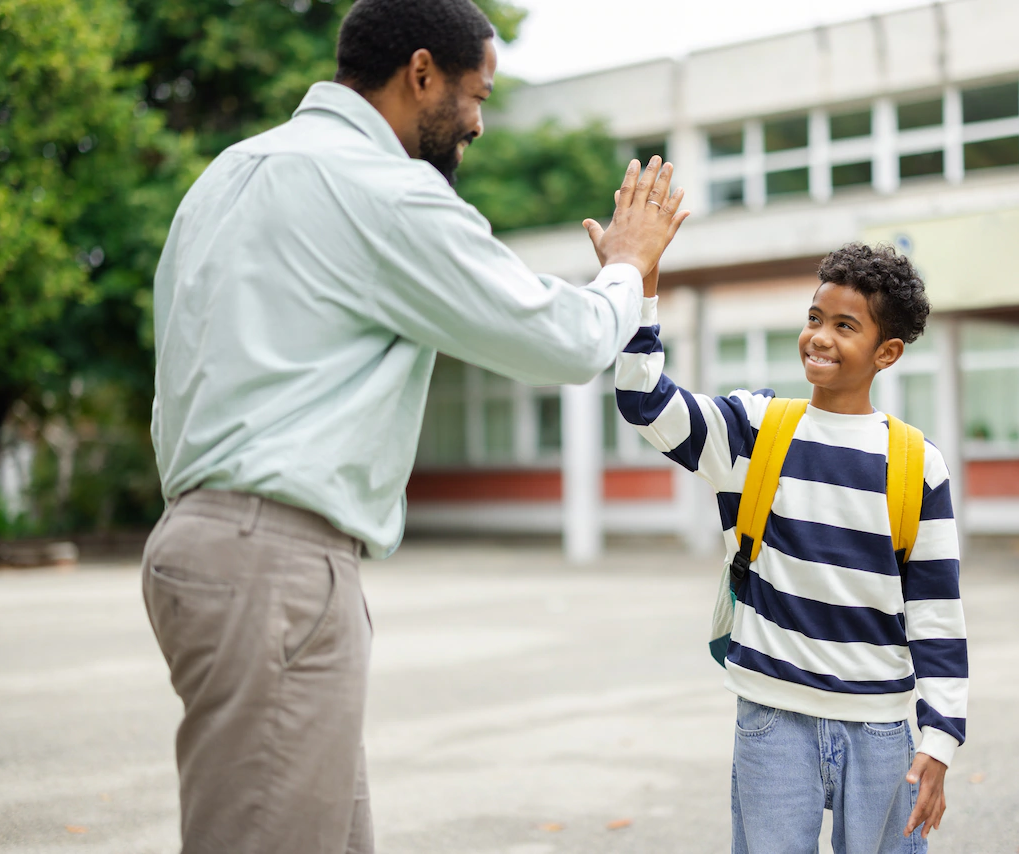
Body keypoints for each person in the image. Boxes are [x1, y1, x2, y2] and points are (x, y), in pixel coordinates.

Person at [141, 0, 689, 851]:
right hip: (277, 566)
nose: (477, 122)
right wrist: (627, 266)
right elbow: (565, 338)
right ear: (421, 72)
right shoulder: (382, 190)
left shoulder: (227, 174)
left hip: (204, 547)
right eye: (477, 94)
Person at [610, 243, 967, 853]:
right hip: (772, 720)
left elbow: (936, 613)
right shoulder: (756, 430)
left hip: (881, 729)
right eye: (814, 318)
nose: (819, 337)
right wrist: (639, 286)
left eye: (844, 325)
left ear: (888, 353)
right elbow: (649, 405)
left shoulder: (916, 464)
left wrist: (938, 742)